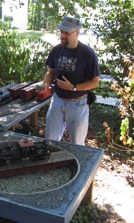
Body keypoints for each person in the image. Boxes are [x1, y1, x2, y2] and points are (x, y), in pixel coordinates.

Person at [39, 16, 100, 145]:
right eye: (61, 32)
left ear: (77, 33)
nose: (62, 35)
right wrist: (46, 83)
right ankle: (52, 164)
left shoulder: (88, 54)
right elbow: (50, 72)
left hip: (78, 104)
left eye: (66, 32)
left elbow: (95, 82)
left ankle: (77, 165)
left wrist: (73, 87)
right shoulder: (56, 50)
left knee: (77, 144)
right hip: (57, 101)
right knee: (50, 141)